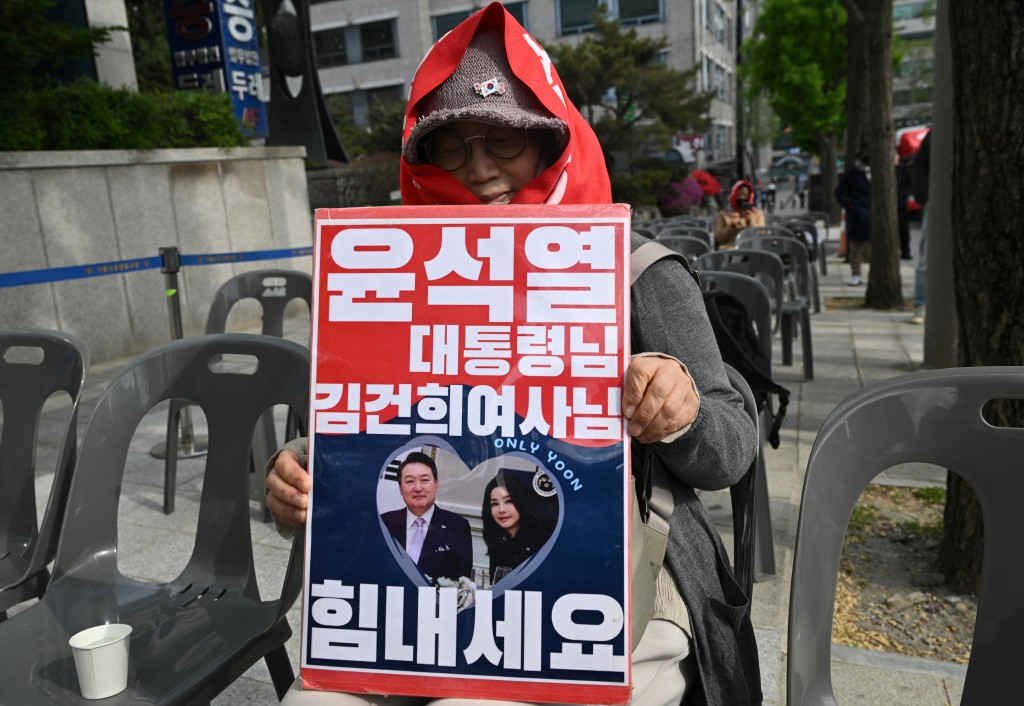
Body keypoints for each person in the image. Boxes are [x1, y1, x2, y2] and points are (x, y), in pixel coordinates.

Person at [265, 4, 760, 705]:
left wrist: (679, 410)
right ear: (423, 154)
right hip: (416, 601)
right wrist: (299, 471)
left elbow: (732, 447)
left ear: (553, 141)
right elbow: (365, 423)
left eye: (505, 141)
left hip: (612, 587)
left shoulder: (636, 271)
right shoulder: (392, 275)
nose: (480, 170)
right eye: (453, 147)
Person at [380, 451, 473, 584]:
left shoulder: (457, 527)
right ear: (400, 489)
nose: (418, 488)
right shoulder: (385, 523)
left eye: (424, 480)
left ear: (436, 484)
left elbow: (459, 583)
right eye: (410, 481)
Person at [481, 471, 556, 583]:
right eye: (494, 504)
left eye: (509, 501)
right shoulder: (498, 540)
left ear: (521, 501)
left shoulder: (542, 538)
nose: (501, 510)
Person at [834, 146, 872, 285]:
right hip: (858, 215)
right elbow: (839, 192)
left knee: (873, 248)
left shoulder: (880, 172)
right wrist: (851, 205)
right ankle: (856, 275)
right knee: (857, 248)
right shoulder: (853, 174)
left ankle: (873, 276)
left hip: (874, 215)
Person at [908, 130, 931, 324]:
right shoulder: (934, 135)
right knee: (925, 258)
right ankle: (921, 304)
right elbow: (920, 167)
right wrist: (924, 197)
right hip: (935, 202)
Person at [714, 179, 765, 250]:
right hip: (731, 250)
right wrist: (731, 226)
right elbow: (719, 239)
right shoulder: (723, 215)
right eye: (738, 195)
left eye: (745, 195)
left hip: (753, 249)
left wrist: (750, 221)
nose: (741, 198)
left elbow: (761, 235)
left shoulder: (757, 214)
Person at [895, 147, 913, 260]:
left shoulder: (903, 169)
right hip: (897, 201)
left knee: (903, 229)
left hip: (901, 203)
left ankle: (905, 250)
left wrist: (904, 195)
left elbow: (910, 184)